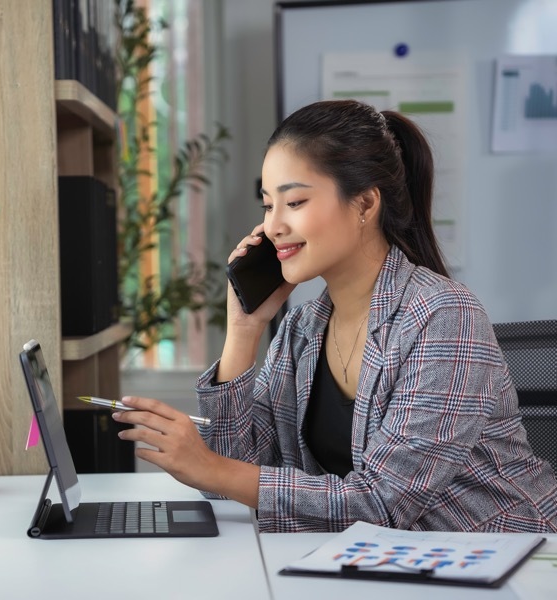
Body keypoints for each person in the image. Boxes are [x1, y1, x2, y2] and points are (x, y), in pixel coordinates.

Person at [112, 99, 557, 533]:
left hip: (513, 561)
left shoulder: (444, 316)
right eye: (268, 205)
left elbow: (384, 501)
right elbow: (236, 472)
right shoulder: (303, 328)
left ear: (365, 204)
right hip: (394, 564)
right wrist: (243, 331)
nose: (272, 226)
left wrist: (208, 468)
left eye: (295, 202)